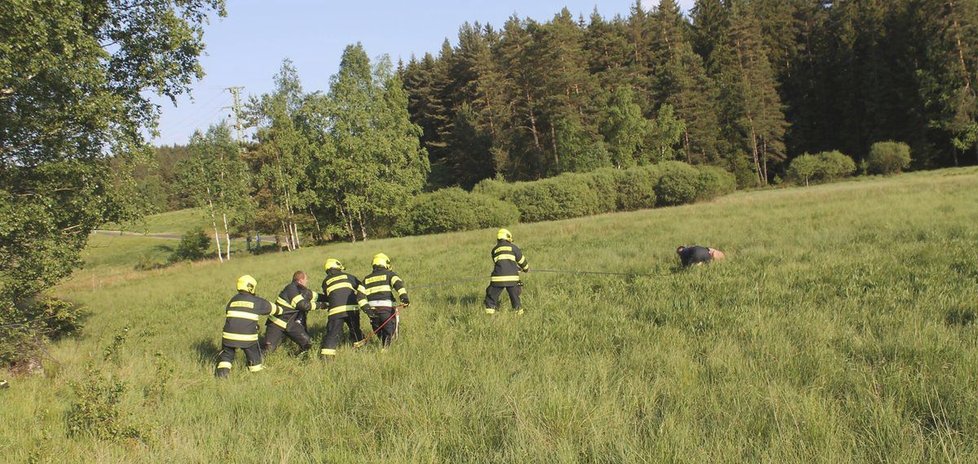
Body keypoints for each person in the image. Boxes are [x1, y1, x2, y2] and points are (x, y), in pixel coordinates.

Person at [215, 275, 282, 378]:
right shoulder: (256, 301)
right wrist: (281, 310)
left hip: (228, 336)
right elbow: (275, 309)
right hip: (247, 338)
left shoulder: (232, 300)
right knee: (254, 353)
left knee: (227, 355)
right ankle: (257, 374)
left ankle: (221, 376)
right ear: (251, 287)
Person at [319, 258, 370, 360]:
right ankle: (361, 351)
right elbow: (361, 287)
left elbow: (329, 296)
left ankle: (326, 358)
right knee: (355, 330)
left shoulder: (325, 282)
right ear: (338, 267)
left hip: (335, 311)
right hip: (352, 309)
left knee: (332, 333)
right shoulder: (348, 276)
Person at [262, 271, 322, 355]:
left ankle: (297, 358)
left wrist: (332, 298)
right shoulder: (291, 288)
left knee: (308, 343)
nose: (307, 282)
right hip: (276, 324)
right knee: (268, 350)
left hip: (290, 324)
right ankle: (255, 363)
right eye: (306, 279)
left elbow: (318, 297)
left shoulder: (302, 290)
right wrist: (321, 305)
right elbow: (302, 305)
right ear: (301, 280)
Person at [362, 253, 410, 348]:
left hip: (372, 310)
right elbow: (398, 284)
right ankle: (386, 351)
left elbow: (359, 296)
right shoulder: (390, 274)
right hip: (387, 308)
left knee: (379, 332)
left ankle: (384, 347)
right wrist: (404, 298)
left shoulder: (366, 279)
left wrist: (367, 310)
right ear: (385, 263)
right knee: (390, 332)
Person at [484, 228, 529, 315]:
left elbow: (501, 263)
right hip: (512, 279)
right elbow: (522, 261)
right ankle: (519, 314)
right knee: (515, 298)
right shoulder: (514, 248)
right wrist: (525, 269)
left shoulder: (494, 250)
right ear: (508, 238)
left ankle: (489, 315)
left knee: (491, 298)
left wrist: (514, 268)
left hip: (497, 279)